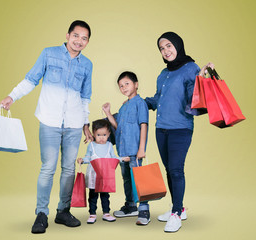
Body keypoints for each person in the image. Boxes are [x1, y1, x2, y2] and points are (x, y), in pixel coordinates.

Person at [0, 20, 94, 234]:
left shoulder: (87, 65)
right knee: (48, 168)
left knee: (69, 170)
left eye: (84, 38)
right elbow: (31, 79)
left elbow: (85, 96)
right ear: (68, 35)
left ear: (88, 42)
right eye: (76, 35)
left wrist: (85, 123)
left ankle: (63, 211)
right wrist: (12, 96)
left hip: (73, 123)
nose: (79, 41)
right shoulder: (49, 53)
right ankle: (41, 213)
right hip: (49, 121)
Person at [144, 32, 213, 233]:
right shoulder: (162, 74)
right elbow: (158, 99)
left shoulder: (191, 68)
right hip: (161, 129)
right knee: (169, 170)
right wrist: (141, 101)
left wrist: (202, 79)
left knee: (176, 170)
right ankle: (179, 208)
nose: (165, 51)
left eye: (168, 46)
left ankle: (175, 214)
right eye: (161, 48)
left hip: (180, 129)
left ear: (177, 45)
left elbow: (195, 97)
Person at [102, 71, 150, 225]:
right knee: (126, 179)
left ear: (136, 85)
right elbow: (118, 128)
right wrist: (108, 113)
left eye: (127, 84)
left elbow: (144, 125)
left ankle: (144, 210)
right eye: (121, 86)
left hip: (135, 151)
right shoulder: (123, 108)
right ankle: (130, 206)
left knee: (139, 180)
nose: (123, 87)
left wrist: (141, 148)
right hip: (122, 151)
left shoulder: (140, 103)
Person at [77, 119, 130, 224]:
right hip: (93, 175)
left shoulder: (109, 145)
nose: (101, 138)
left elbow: (113, 158)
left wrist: (122, 159)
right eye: (98, 135)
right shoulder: (91, 145)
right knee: (93, 196)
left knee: (105, 195)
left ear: (109, 134)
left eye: (104, 135)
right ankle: (92, 214)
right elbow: (88, 157)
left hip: (105, 176)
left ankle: (106, 213)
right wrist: (82, 160)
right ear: (93, 134)